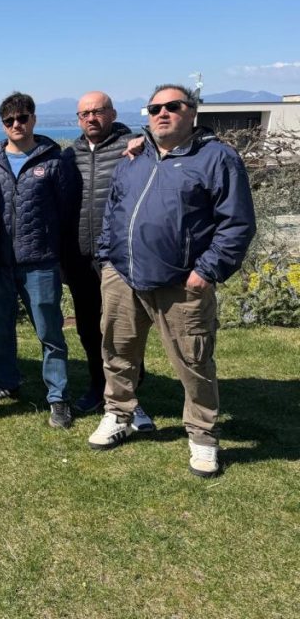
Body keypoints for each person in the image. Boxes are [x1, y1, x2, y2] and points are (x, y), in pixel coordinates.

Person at [90, 84, 255, 478]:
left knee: (193, 361)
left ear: (191, 112)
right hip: (123, 276)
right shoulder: (135, 157)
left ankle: (202, 435)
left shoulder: (216, 158)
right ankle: (119, 413)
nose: (162, 113)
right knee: (117, 351)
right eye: (154, 107)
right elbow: (113, 209)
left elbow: (237, 224)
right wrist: (106, 256)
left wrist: (207, 271)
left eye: (172, 106)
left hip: (181, 284)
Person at [0, 92, 77, 429]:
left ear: (33, 119)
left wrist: (61, 257)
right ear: (3, 125)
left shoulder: (53, 161)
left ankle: (58, 396)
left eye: (22, 118)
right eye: (9, 121)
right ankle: (7, 382)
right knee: (2, 327)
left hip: (40, 262)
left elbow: (68, 213)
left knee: (49, 331)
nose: (17, 125)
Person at [61, 91, 154, 430]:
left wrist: (148, 138)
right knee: (89, 328)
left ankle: (131, 391)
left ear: (112, 113)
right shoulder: (70, 155)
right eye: (84, 113)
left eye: (98, 111)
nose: (91, 118)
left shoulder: (136, 147)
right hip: (80, 257)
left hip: (119, 257)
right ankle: (98, 385)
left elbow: (185, 139)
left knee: (123, 330)